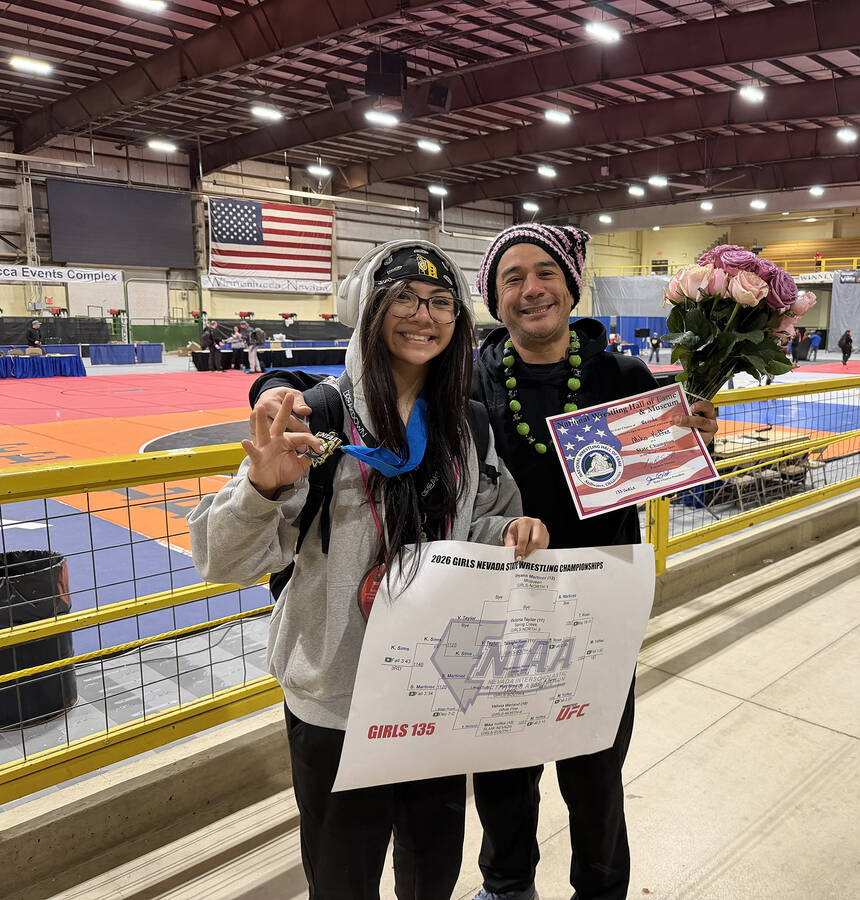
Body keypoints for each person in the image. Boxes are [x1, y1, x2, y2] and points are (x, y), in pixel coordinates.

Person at [250, 225, 719, 900]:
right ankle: (507, 884)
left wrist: (696, 438)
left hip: (594, 605)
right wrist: (274, 382)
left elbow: (672, 475)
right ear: (494, 300)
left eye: (545, 274)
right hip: (490, 604)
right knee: (501, 768)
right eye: (511, 278)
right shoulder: (471, 381)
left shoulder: (622, 375)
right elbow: (375, 374)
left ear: (571, 284)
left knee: (595, 771)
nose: (531, 291)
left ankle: (600, 889)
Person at [191, 240, 549, 900]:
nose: (426, 315)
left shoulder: (466, 423)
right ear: (369, 309)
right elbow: (222, 560)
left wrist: (511, 533)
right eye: (406, 299)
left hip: (436, 688)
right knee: (343, 878)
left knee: (433, 869)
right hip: (339, 697)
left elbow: (472, 527)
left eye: (443, 302)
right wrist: (261, 490)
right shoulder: (320, 418)